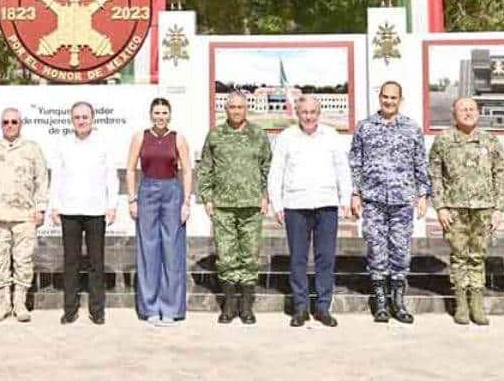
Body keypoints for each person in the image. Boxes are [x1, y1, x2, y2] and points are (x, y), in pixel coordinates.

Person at [348, 81, 430, 324]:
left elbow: (420, 163)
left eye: (394, 98)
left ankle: (398, 302)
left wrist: (423, 194)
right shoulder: (364, 127)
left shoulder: (412, 128)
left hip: (402, 200)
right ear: (380, 98)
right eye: (385, 97)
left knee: (401, 251)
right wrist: (355, 193)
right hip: (373, 200)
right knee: (376, 248)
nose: (389, 101)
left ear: (400, 100)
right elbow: (355, 162)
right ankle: (380, 302)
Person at [268, 95, 351, 327]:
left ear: (319, 113)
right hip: (296, 205)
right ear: (297, 113)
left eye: (313, 112)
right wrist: (277, 203)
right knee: (298, 259)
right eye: (304, 112)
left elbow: (342, 169)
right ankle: (301, 307)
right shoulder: (286, 138)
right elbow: (276, 171)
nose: (309, 117)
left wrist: (344, 199)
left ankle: (323, 307)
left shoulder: (331, 136)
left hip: (326, 205)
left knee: (325, 258)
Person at [429, 97, 504, 326]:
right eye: (463, 109)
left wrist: (499, 208)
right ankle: (461, 303)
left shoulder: (490, 141)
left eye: (472, 109)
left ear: (478, 113)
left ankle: (477, 303)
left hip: (484, 208)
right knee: (459, 256)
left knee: (478, 256)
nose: (468, 113)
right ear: (454, 113)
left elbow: (500, 174)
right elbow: (435, 175)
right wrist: (440, 207)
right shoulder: (443, 140)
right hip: (454, 208)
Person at [198, 91, 272, 325]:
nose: (236, 111)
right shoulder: (215, 135)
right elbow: (205, 168)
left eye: (240, 107)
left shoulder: (258, 135)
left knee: (249, 256)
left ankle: (247, 307)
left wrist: (265, 195)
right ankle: (229, 306)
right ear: (226, 109)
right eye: (232, 107)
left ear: (246, 109)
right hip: (223, 206)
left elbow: (267, 166)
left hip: (251, 205)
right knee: (227, 257)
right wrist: (207, 198)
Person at [0, 107, 48, 323]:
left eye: (14, 122)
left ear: (21, 124)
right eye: (5, 122)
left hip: (25, 215)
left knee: (23, 260)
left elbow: (41, 179)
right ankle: (3, 302)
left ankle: (20, 302)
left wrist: (41, 208)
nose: (9, 125)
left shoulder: (32, 149)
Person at [125, 98, 193, 326]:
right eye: (157, 113)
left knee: (173, 250)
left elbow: (187, 172)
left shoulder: (178, 139)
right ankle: (151, 308)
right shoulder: (140, 137)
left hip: (172, 192)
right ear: (150, 114)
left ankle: (171, 308)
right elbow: (130, 169)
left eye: (164, 113)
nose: (160, 117)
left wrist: (186, 202)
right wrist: (132, 199)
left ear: (170, 115)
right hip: (147, 192)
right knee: (148, 249)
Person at [49, 101, 118, 325]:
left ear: (93, 118)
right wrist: (54, 205)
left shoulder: (103, 143)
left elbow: (111, 176)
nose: (81, 121)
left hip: (96, 210)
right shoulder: (63, 143)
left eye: (85, 117)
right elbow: (57, 177)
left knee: (96, 263)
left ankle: (97, 311)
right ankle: (70, 310)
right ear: (71, 120)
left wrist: (112, 205)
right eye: (77, 117)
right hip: (69, 211)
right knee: (71, 263)